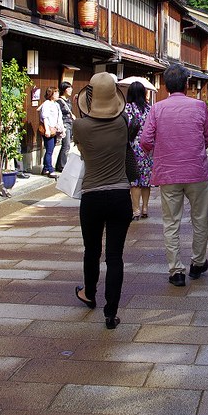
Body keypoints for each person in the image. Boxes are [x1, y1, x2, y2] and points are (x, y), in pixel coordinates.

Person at [140, 64, 208, 287]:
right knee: (199, 219)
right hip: (196, 171)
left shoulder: (157, 108)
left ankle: (176, 271)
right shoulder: (200, 107)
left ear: (165, 85)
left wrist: (159, 150)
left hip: (168, 172)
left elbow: (145, 141)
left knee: (171, 222)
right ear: (187, 84)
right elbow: (207, 138)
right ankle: (198, 263)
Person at [73, 73, 133, 330]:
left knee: (92, 250)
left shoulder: (80, 127)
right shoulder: (123, 123)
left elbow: (82, 149)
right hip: (121, 195)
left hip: (92, 195)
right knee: (115, 256)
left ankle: (89, 293)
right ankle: (111, 312)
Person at [124, 81, 153, 220]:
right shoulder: (149, 109)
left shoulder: (127, 108)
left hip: (132, 148)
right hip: (147, 148)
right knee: (146, 179)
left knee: (134, 179)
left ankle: (135, 209)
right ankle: (145, 208)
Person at [38, 86, 64, 178]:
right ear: (51, 94)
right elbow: (44, 117)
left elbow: (59, 118)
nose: (57, 94)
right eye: (55, 93)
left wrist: (61, 128)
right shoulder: (47, 104)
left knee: (51, 149)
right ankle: (50, 170)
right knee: (49, 150)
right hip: (48, 129)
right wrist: (47, 129)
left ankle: (45, 169)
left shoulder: (56, 104)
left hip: (54, 129)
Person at [54, 81, 75, 175]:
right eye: (69, 88)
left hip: (70, 124)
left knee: (67, 145)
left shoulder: (68, 100)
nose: (71, 90)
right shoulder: (59, 101)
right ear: (64, 90)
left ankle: (60, 164)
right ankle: (62, 166)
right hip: (64, 125)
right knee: (66, 145)